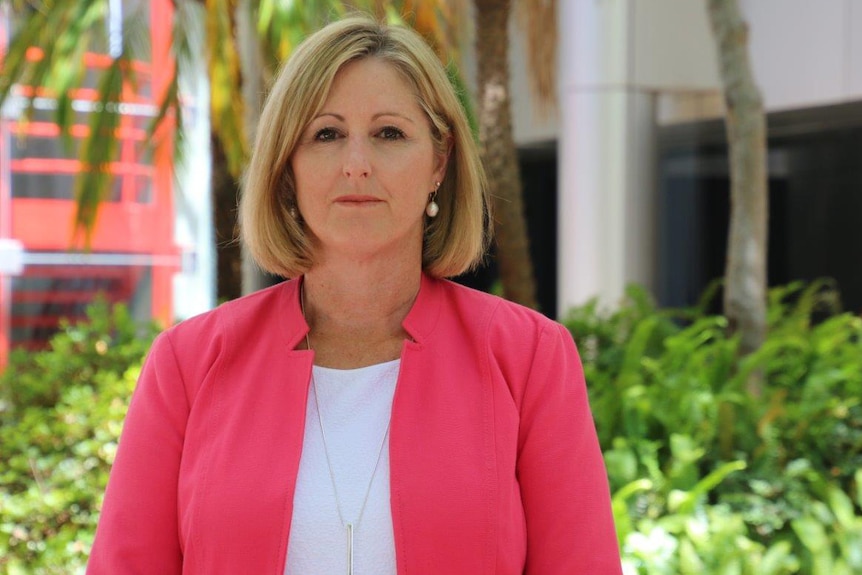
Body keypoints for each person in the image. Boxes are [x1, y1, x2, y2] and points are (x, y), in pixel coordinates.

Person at [87, 14, 622, 575]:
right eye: (326, 134)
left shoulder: (530, 357)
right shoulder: (189, 365)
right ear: (288, 167)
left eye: (389, 134)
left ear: (439, 162)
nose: (357, 165)